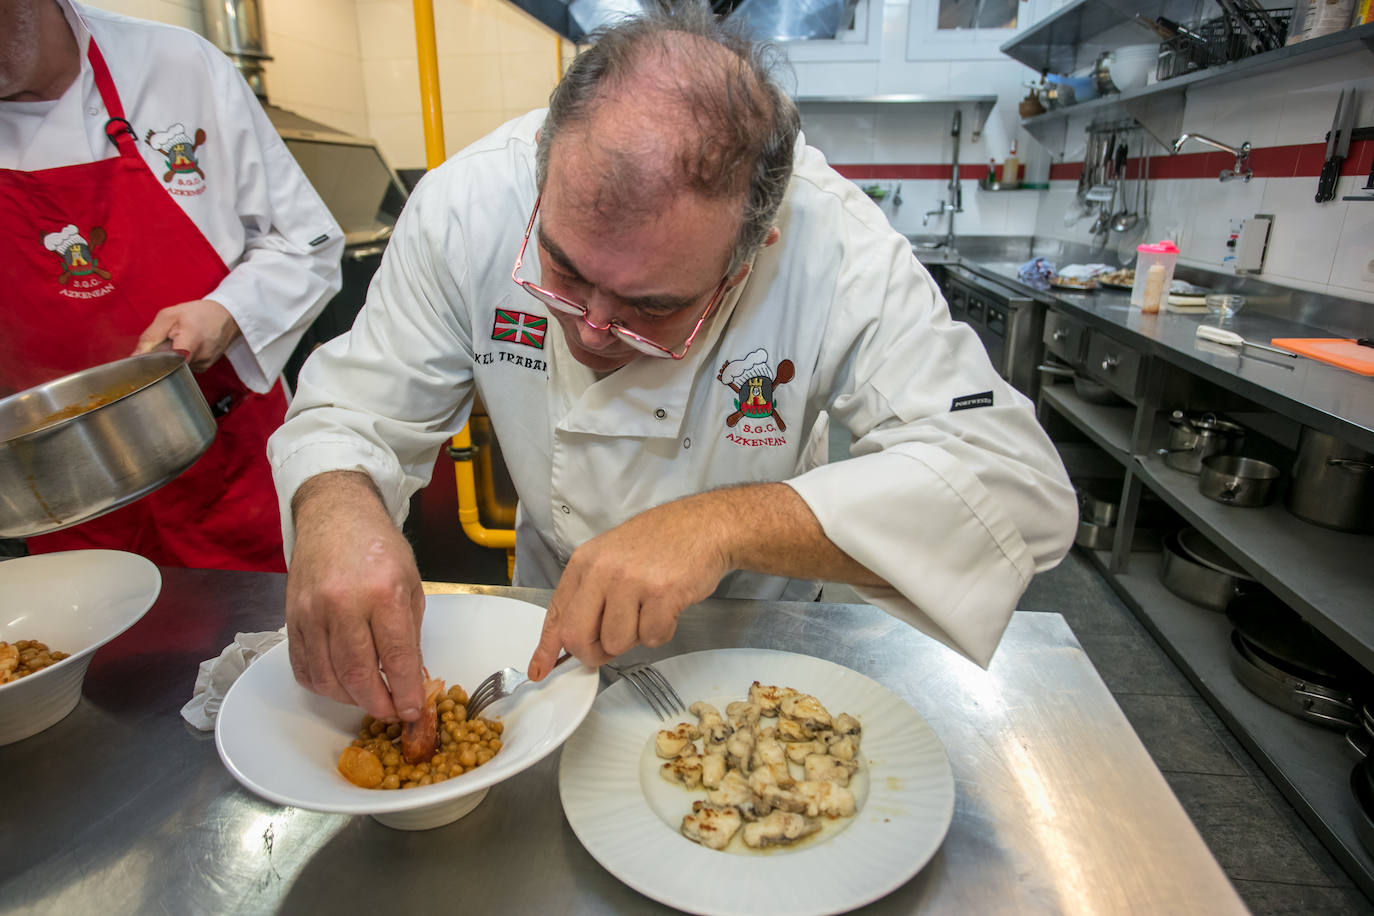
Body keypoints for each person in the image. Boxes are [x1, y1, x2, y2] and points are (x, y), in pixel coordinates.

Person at [270, 1, 1077, 725]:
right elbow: (352, 411)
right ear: (543, 169)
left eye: (651, 308)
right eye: (562, 272)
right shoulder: (466, 206)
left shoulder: (833, 246)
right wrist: (335, 508)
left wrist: (721, 526)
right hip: (549, 637)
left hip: (760, 635)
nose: (590, 331)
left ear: (752, 250)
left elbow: (1018, 490)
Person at [0, 0, 343, 572]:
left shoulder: (176, 67)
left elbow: (308, 244)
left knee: (265, 650)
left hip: (222, 463)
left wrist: (225, 312)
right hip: (60, 496)